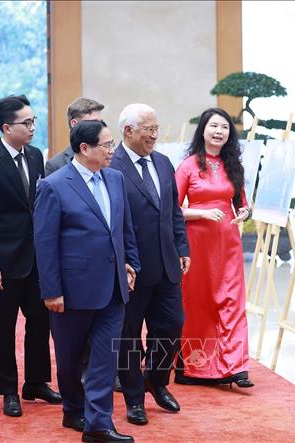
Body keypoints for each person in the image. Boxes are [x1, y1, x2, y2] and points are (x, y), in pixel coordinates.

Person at [34, 120, 140, 442]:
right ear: (84, 148)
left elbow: (124, 229)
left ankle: (98, 425)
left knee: (105, 359)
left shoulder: (115, 178)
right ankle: (72, 409)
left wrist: (131, 264)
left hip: (113, 288)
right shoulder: (54, 185)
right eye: (106, 145)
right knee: (69, 360)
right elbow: (45, 243)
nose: (112, 151)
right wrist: (52, 291)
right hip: (72, 290)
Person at [0, 95, 60, 417]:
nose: (33, 127)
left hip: (35, 258)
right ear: (7, 127)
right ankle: (8, 390)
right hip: (3, 262)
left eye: (34, 121)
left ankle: (36, 382)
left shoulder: (34, 155)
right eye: (27, 122)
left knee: (41, 321)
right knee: (3, 327)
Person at [110, 104, 190, 426]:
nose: (155, 135)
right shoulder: (111, 166)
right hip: (131, 269)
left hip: (167, 266)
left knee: (172, 326)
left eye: (157, 128)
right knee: (129, 337)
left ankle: (156, 381)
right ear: (128, 131)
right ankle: (134, 399)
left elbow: (173, 212)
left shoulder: (163, 162)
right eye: (148, 129)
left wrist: (182, 247)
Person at [174, 107, 253, 388]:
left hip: (228, 244)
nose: (219, 131)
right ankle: (195, 367)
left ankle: (236, 366)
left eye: (225, 127)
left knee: (232, 301)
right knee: (199, 303)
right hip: (197, 245)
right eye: (214, 126)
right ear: (203, 130)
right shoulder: (188, 166)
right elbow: (171, 209)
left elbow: (242, 203)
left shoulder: (234, 166)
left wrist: (245, 212)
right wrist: (201, 213)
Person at [45, 97, 105, 176]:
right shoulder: (56, 165)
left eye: (101, 123)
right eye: (94, 123)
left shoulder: (107, 157)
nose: (100, 128)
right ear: (74, 124)